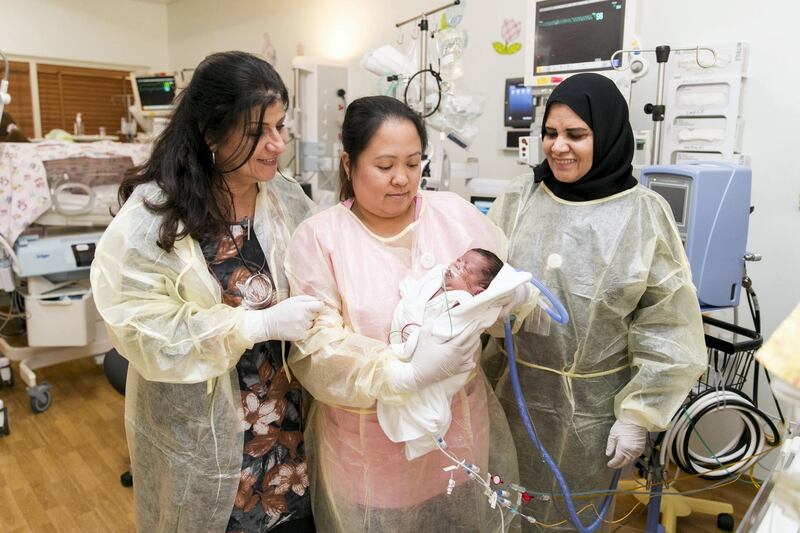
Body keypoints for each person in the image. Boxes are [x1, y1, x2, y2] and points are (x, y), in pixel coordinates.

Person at [90, 51, 324, 533]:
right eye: (258, 132)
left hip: (288, 434)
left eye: (282, 127)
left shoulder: (285, 198)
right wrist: (254, 324)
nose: (277, 145)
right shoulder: (156, 215)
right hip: (206, 441)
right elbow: (139, 327)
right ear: (210, 132)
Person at [284, 96, 531, 532]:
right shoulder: (319, 239)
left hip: (457, 435)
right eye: (384, 166)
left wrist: (509, 302)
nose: (402, 179)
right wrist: (398, 376)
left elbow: (503, 289)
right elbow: (316, 350)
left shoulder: (455, 215)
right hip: (368, 451)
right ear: (348, 163)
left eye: (414, 164)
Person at [486, 73, 707, 531]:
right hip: (510, 395)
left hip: (590, 414)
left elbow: (667, 325)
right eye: (550, 133)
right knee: (501, 510)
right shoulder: (521, 197)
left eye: (576, 134)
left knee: (570, 517)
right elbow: (482, 281)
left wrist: (638, 413)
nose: (558, 146)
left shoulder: (643, 214)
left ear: (605, 135)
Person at [379, 248, 536, 460]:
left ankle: (423, 426)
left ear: (478, 291)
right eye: (459, 260)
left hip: (441, 358)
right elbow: (412, 298)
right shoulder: (436, 279)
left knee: (428, 404)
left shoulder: (462, 305)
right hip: (410, 351)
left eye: (465, 268)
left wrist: (415, 340)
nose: (455, 265)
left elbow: (448, 332)